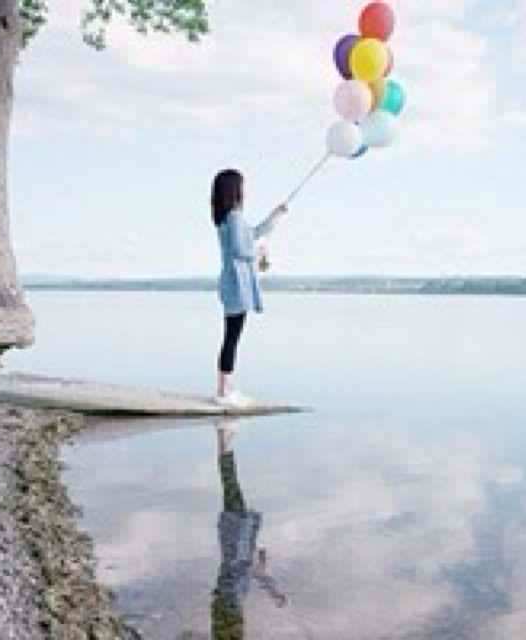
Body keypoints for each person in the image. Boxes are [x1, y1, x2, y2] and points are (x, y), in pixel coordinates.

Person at [211, 169, 288, 408]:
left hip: (233, 283)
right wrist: (258, 253)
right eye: (241, 186)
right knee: (232, 337)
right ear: (234, 190)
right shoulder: (234, 216)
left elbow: (254, 233)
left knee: (231, 336)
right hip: (236, 284)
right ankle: (224, 392)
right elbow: (239, 249)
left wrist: (275, 216)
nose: (244, 191)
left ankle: (225, 388)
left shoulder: (228, 217)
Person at [211, 420, 288, 640]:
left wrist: (274, 592)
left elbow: (255, 574)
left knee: (230, 483)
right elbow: (261, 576)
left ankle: (224, 440)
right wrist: (275, 594)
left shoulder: (239, 576)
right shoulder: (245, 574)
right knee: (230, 483)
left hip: (235, 526)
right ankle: (224, 441)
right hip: (237, 527)